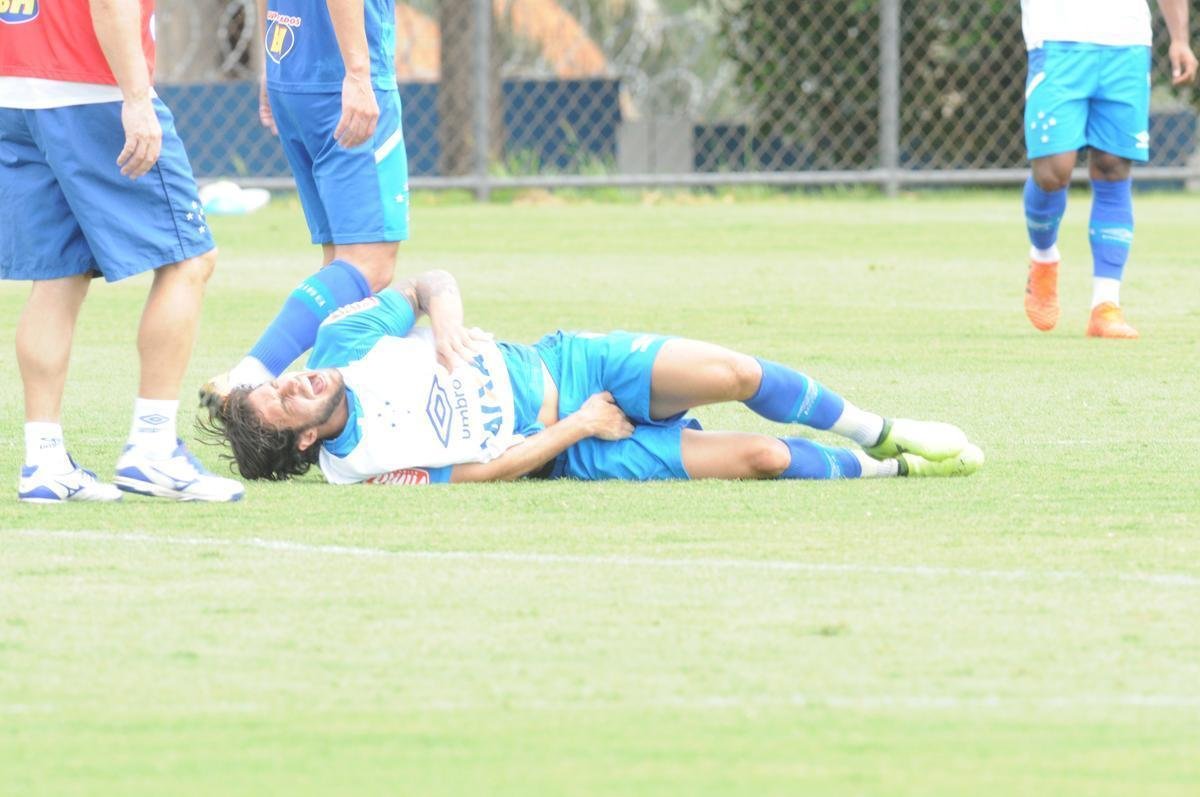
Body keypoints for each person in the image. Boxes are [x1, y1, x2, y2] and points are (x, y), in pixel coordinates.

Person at [202, 271, 983, 486]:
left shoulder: (345, 340)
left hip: (571, 362)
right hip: (575, 447)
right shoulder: (359, 470)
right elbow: (480, 472)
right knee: (765, 459)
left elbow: (427, 280)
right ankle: (888, 468)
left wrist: (442, 320)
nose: (297, 378)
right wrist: (576, 429)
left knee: (738, 372)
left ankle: (878, 428)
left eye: (285, 377)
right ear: (305, 437)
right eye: (285, 398)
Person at [1, 0, 244, 502]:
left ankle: (44, 459)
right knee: (189, 259)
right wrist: (136, 99)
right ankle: (152, 451)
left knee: (57, 273)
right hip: (91, 87)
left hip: (15, 87)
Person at [202, 0, 410, 399]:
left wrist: (269, 64)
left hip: (293, 68)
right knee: (369, 265)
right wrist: (359, 74)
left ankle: (324, 403)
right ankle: (251, 374)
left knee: (341, 264)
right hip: (336, 78)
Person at [1020, 0, 1197, 339]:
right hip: (1056, 43)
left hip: (1126, 45)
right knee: (1053, 171)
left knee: (1113, 166)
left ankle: (1106, 305)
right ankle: (1043, 257)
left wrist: (1179, 38)